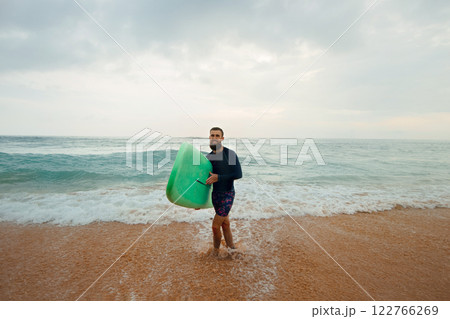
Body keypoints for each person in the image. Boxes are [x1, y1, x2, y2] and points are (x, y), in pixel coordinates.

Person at [205, 127, 242, 255]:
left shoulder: (230, 154)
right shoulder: (208, 158)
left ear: (222, 138)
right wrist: (197, 201)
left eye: (217, 135)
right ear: (209, 138)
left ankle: (215, 253)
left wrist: (219, 177)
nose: (214, 138)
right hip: (216, 195)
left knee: (215, 226)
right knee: (225, 224)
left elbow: (238, 174)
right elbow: (206, 181)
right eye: (212, 135)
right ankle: (232, 250)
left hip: (227, 194)